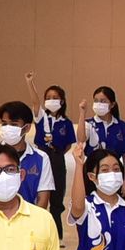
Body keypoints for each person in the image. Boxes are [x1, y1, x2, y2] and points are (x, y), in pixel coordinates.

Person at [0, 100, 55, 207]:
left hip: (30, 216)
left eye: (14, 124)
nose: (8, 128)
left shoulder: (41, 158)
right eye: (4, 123)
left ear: (27, 128)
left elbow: (43, 197)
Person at [25, 75, 76, 209]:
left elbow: (69, 144)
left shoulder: (66, 122)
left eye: (55, 98)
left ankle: (55, 219)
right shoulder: (41, 117)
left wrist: (57, 153)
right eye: (48, 98)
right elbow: (35, 102)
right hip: (41, 156)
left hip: (57, 159)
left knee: (57, 196)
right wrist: (30, 83)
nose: (51, 100)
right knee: (38, 192)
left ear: (62, 101)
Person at [82, 86, 125, 167]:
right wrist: (82, 114)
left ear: (112, 104)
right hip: (92, 168)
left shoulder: (121, 126)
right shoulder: (89, 123)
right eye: (96, 101)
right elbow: (81, 139)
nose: (98, 104)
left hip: (114, 169)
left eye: (103, 101)